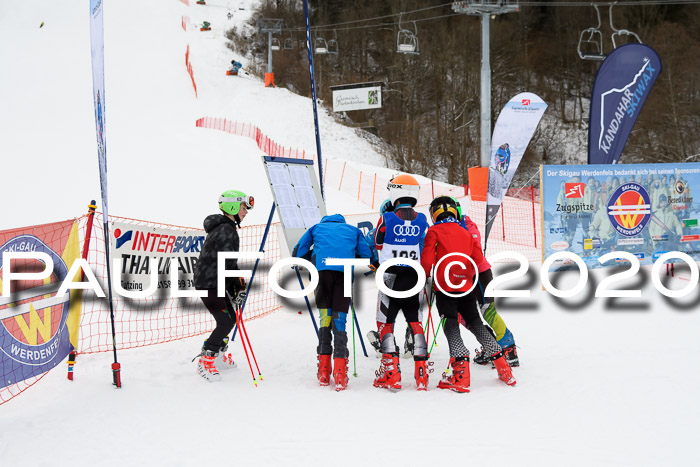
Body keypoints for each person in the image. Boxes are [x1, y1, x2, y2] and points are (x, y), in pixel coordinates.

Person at [421, 196, 516, 393]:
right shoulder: (465, 231)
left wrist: (424, 277)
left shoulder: (433, 231)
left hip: (444, 286)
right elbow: (478, 258)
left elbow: (427, 260)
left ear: (435, 213)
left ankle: (460, 373)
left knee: (450, 323)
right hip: (466, 285)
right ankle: (503, 367)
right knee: (475, 322)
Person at [293, 214, 371, 391]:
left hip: (322, 273)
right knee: (339, 320)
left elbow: (301, 248)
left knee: (325, 319)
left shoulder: (316, 228)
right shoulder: (353, 230)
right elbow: (366, 253)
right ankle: (341, 374)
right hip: (344, 273)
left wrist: (302, 262)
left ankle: (323, 371)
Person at [373, 175, 430, 390]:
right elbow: (422, 245)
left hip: (390, 276)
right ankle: (422, 375)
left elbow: (377, 243)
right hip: (414, 276)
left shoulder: (386, 218)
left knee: (387, 322)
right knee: (415, 321)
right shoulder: (422, 219)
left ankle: (391, 374)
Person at [449, 197, 519, 367]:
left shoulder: (467, 224)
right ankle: (491, 346)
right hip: (463, 277)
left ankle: (508, 347)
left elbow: (474, 249)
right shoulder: (448, 228)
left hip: (479, 274)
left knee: (488, 311)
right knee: (463, 316)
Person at [192, 190, 254, 382]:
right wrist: (235, 287)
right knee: (225, 321)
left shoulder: (226, 228)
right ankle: (206, 360)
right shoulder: (226, 230)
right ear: (233, 207)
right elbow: (226, 263)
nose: (245, 212)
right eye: (244, 208)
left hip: (214, 282)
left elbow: (228, 263)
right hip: (209, 284)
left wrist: (236, 285)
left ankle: (217, 356)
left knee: (230, 319)